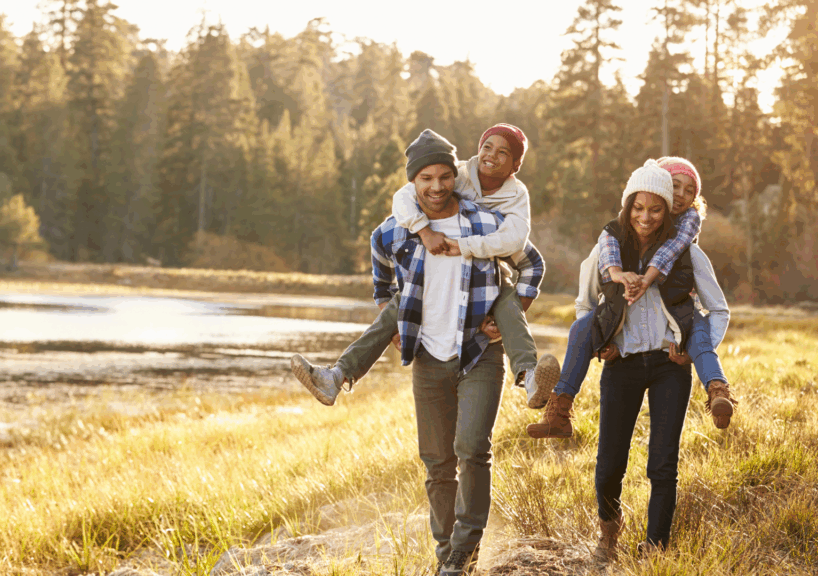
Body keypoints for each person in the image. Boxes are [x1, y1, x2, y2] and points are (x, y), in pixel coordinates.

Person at [367, 131, 546, 575]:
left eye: (445, 176)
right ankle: (448, 556)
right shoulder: (397, 227)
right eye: (425, 178)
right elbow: (381, 275)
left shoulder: (485, 222)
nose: (436, 186)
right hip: (427, 356)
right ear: (413, 183)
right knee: (437, 463)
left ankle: (464, 552)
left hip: (478, 352)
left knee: (472, 449)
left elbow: (532, 262)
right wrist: (391, 319)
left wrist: (509, 314)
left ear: (455, 178)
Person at [291, 126, 559, 410]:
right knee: (399, 304)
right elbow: (404, 197)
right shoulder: (456, 175)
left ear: (516, 165)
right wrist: (423, 231)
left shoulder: (514, 198)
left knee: (507, 302)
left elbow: (519, 243)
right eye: (487, 146)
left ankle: (529, 377)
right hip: (431, 278)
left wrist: (508, 313)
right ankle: (336, 376)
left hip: (491, 274)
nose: (491, 155)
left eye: (503, 152)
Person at [573, 160, 730, 558]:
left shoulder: (688, 254)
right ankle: (609, 533)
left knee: (662, 464)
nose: (648, 215)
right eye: (641, 207)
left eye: (659, 207)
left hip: (668, 367)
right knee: (609, 462)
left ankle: (656, 546)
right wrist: (600, 343)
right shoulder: (609, 248)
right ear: (632, 205)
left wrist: (694, 348)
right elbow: (584, 305)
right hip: (621, 365)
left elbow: (719, 310)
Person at [527, 157, 736, 439]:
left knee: (698, 331)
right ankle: (560, 407)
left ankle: (717, 388)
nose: (682, 196)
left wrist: (652, 282)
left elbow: (682, 266)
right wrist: (603, 340)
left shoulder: (686, 238)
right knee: (580, 327)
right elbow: (587, 299)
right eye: (675, 186)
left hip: (675, 332)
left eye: (690, 191)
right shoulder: (614, 236)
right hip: (623, 353)